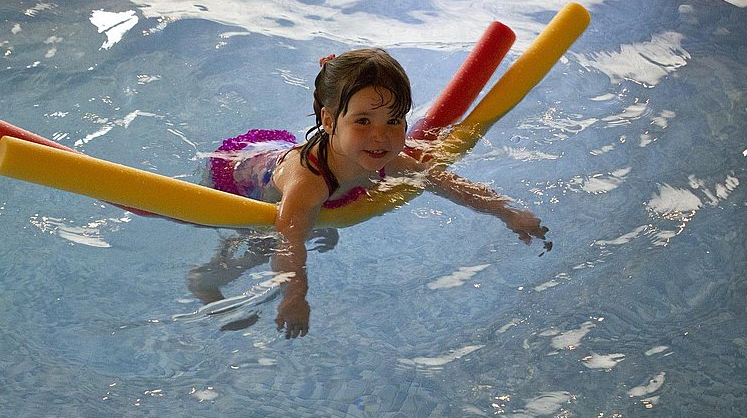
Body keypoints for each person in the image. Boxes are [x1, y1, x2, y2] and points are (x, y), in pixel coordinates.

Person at [202, 48, 550, 338]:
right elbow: (288, 244)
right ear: (328, 119)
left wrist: (508, 212)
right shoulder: (308, 182)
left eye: (394, 120)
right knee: (259, 249)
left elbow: (443, 181)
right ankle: (203, 282)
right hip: (238, 178)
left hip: (283, 155)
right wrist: (294, 296)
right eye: (364, 121)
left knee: (313, 221)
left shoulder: (383, 156)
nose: (381, 136)